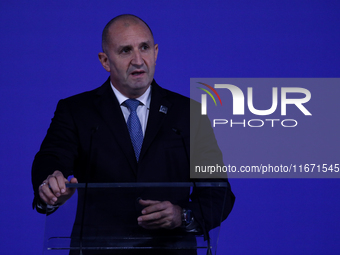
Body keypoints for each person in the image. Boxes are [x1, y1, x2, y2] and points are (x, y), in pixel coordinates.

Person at [32, 14, 235, 254]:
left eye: (145, 48)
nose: (138, 60)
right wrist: (51, 183)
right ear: (105, 61)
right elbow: (52, 158)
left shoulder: (189, 112)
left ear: (156, 52)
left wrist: (182, 215)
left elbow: (218, 190)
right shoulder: (76, 111)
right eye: (126, 51)